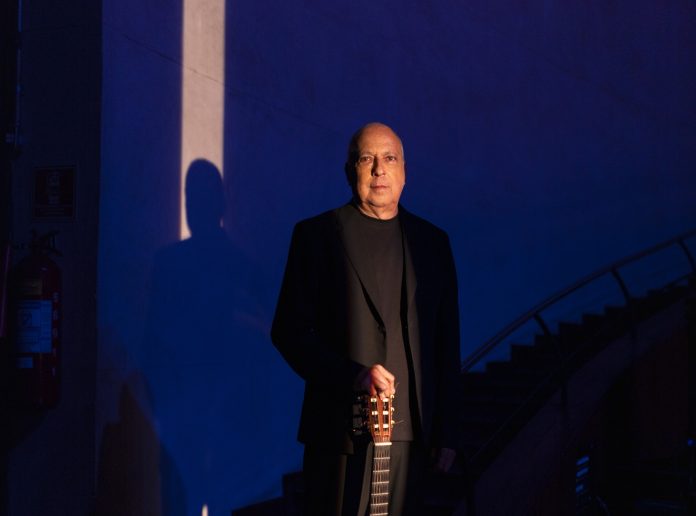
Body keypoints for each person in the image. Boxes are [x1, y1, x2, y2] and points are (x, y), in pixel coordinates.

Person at [272, 122, 460, 515]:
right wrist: (352, 375)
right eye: (366, 159)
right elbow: (288, 332)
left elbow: (446, 344)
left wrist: (447, 431)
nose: (379, 169)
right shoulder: (316, 236)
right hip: (338, 431)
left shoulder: (433, 243)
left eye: (389, 158)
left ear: (404, 171)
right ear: (350, 171)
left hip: (412, 434)